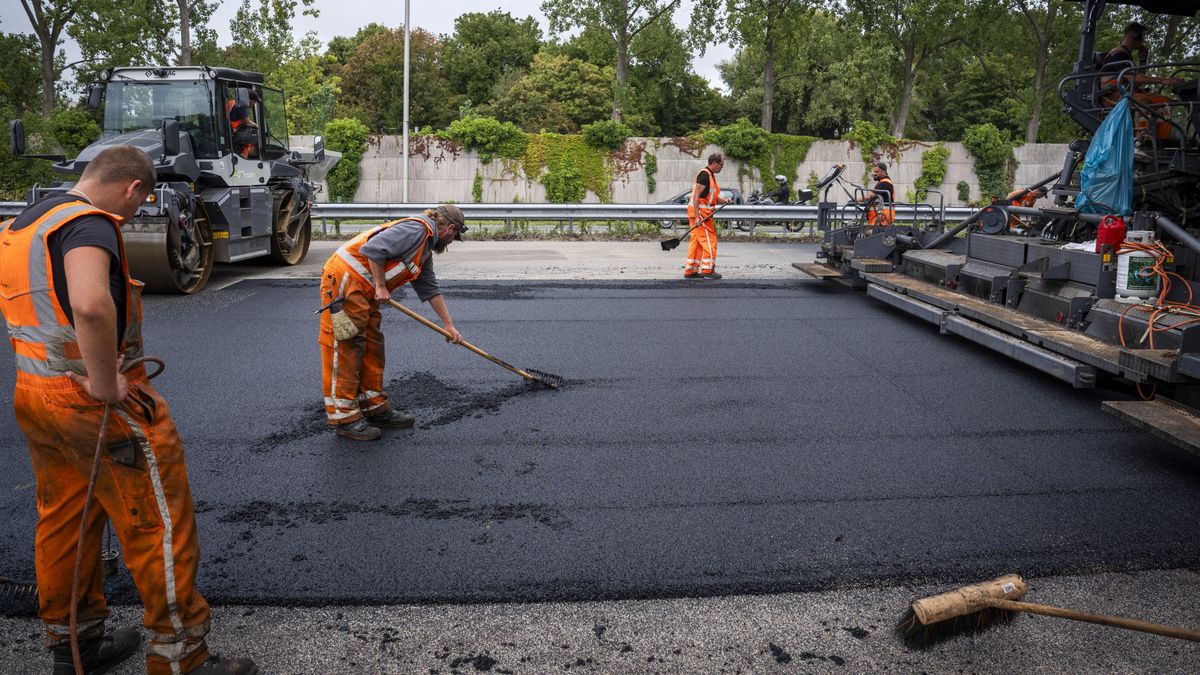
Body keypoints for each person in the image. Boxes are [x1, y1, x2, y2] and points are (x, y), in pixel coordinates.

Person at [0, 146, 255, 674]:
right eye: (138, 207)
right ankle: (181, 657)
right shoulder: (89, 225)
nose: (135, 216)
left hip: (36, 394)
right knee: (156, 522)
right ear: (133, 188)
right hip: (92, 401)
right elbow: (91, 305)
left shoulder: (26, 222)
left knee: (65, 520)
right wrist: (106, 382)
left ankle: (75, 648)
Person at [319, 204, 468, 440]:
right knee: (349, 344)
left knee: (372, 343)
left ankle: (373, 405)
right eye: (453, 237)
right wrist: (380, 286)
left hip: (365, 288)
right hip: (346, 281)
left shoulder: (425, 248)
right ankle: (344, 416)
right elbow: (374, 249)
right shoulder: (416, 230)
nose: (451, 242)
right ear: (449, 228)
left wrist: (448, 326)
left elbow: (430, 288)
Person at [1100, 21, 1184, 142]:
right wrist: (1163, 80)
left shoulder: (1127, 56)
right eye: (1142, 36)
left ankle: (1162, 140)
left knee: (1163, 101)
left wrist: (1143, 60)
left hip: (1126, 94)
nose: (1143, 40)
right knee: (1144, 101)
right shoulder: (1118, 54)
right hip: (1113, 96)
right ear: (1135, 35)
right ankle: (1142, 140)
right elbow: (1133, 77)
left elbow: (1139, 82)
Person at [684, 153, 732, 280]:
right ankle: (708, 269)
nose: (722, 168)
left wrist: (724, 201)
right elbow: (696, 196)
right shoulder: (704, 175)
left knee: (697, 242)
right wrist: (698, 216)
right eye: (721, 165)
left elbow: (711, 197)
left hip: (703, 214)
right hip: (701, 215)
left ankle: (691, 270)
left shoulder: (710, 176)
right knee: (710, 241)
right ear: (715, 163)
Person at [856, 162, 895, 227]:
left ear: (883, 171)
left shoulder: (885, 183)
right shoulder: (882, 182)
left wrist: (855, 200)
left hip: (882, 216)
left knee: (872, 234)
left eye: (877, 172)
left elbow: (870, 195)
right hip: (880, 216)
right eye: (874, 172)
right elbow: (875, 198)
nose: (874, 174)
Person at [226, 90, 260, 158]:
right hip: (231, 134)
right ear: (250, 100)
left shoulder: (233, 102)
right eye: (254, 102)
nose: (254, 104)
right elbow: (246, 120)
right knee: (247, 138)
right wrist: (256, 125)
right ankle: (243, 157)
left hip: (228, 129)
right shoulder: (241, 105)